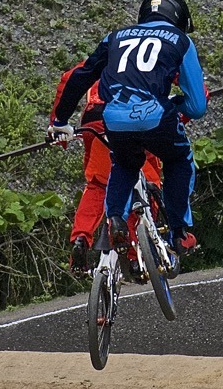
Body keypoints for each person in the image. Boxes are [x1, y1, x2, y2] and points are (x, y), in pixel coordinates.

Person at [49, 0, 208, 260]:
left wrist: (59, 121)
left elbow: (78, 76)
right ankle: (179, 233)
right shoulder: (180, 41)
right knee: (179, 161)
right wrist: (175, 108)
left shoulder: (115, 37)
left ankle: (114, 219)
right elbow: (197, 105)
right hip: (153, 116)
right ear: (179, 18)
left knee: (120, 166)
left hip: (109, 118)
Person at [48, 62, 163, 276]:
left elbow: (68, 79)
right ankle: (133, 256)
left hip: (95, 119)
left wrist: (57, 124)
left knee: (98, 184)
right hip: (133, 115)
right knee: (144, 183)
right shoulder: (146, 58)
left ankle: (81, 237)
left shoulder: (101, 58)